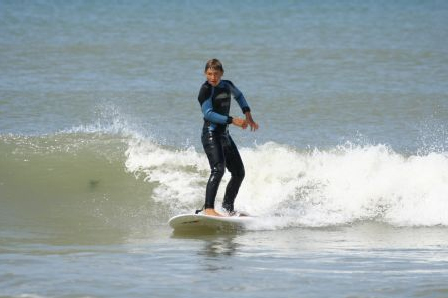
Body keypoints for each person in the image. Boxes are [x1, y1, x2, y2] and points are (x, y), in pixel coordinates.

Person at [197, 59, 259, 217]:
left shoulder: (227, 85)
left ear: (221, 73)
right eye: (209, 74)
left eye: (216, 74)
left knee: (239, 172)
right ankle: (208, 208)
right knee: (218, 169)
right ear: (205, 74)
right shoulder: (205, 90)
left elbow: (239, 96)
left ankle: (227, 208)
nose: (212, 77)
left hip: (224, 135)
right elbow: (208, 113)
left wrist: (248, 115)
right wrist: (232, 120)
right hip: (211, 134)